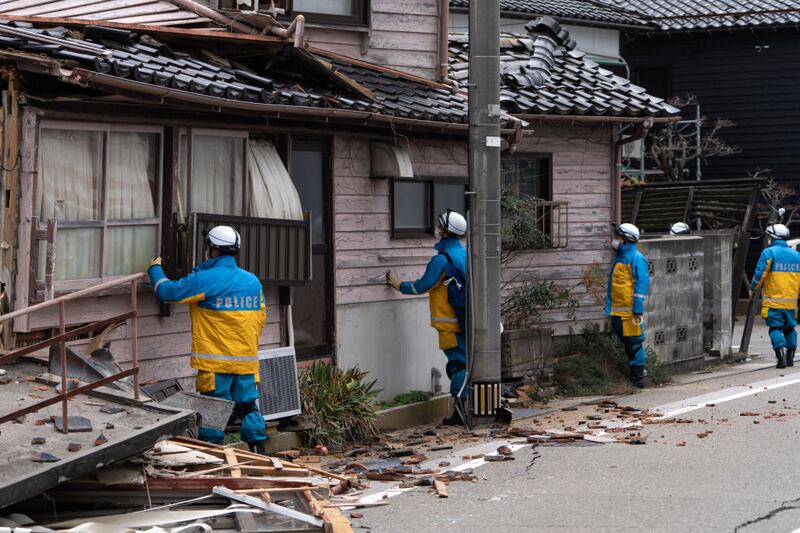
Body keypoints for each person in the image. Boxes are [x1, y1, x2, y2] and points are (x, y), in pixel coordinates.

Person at [148, 225, 268, 453]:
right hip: (246, 362)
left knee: (214, 411)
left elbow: (167, 292)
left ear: (212, 249)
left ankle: (212, 461)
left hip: (216, 365)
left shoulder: (205, 279)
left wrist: (155, 269)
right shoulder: (252, 281)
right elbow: (261, 318)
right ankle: (259, 453)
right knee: (249, 407)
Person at [386, 209, 468, 425]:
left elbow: (422, 285)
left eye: (440, 226)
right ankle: (469, 410)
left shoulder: (441, 260)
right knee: (467, 363)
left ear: (447, 232)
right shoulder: (465, 254)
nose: (437, 229)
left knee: (459, 366)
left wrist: (399, 285)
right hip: (468, 319)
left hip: (449, 323)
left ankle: (460, 414)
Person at [605, 223, 650, 388]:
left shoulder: (636, 258)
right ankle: (633, 373)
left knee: (634, 342)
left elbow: (641, 284)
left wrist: (637, 309)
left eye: (618, 237)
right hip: (618, 310)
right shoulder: (620, 256)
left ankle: (638, 377)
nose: (615, 240)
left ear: (627, 239)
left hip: (630, 312)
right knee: (627, 342)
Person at [750, 223, 800, 368]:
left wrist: (753, 289)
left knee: (775, 328)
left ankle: (781, 359)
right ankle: (790, 358)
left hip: (773, 302)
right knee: (790, 328)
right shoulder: (797, 255)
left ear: (772, 237)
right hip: (791, 303)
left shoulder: (769, 252)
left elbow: (760, 274)